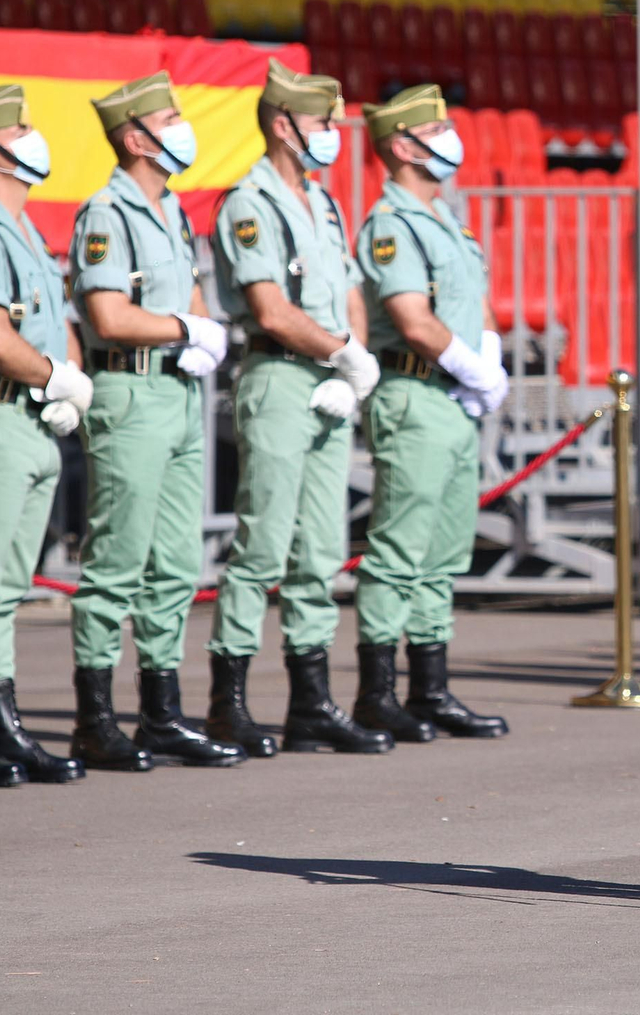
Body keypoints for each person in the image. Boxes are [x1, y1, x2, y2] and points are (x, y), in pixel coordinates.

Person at [205, 59, 391, 756]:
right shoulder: (248, 203)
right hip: (281, 377)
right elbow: (272, 311)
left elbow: (347, 292)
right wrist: (346, 353)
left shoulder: (324, 200)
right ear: (283, 125)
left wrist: (354, 363)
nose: (332, 135)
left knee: (320, 549)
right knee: (261, 545)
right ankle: (230, 702)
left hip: (329, 380)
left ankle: (311, 701)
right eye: (320, 123)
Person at [68, 72, 243, 770]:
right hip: (131, 391)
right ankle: (93, 716)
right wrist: (185, 327)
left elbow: (190, 295)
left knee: (174, 563)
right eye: (168, 117)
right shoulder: (107, 213)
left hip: (174, 392)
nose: (181, 126)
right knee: (116, 563)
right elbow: (108, 315)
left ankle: (161, 712)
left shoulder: (169, 208)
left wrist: (198, 329)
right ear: (136, 135)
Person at [353, 84, 509, 743]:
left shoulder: (448, 218)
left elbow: (474, 306)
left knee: (443, 549)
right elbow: (413, 321)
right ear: (402, 145)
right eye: (436, 129)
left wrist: (490, 352)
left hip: (450, 399)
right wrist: (474, 366)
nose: (450, 137)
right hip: (416, 392)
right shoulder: (392, 223)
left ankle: (430, 686)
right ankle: (377, 691)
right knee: (398, 548)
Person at [0, 84, 92, 786]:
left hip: (30, 417)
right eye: (21, 127)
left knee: (7, 586)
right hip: (5, 410)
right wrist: (54, 375)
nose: (34, 134)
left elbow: (51, 318)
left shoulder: (26, 227)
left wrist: (64, 376)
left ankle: (6, 725)